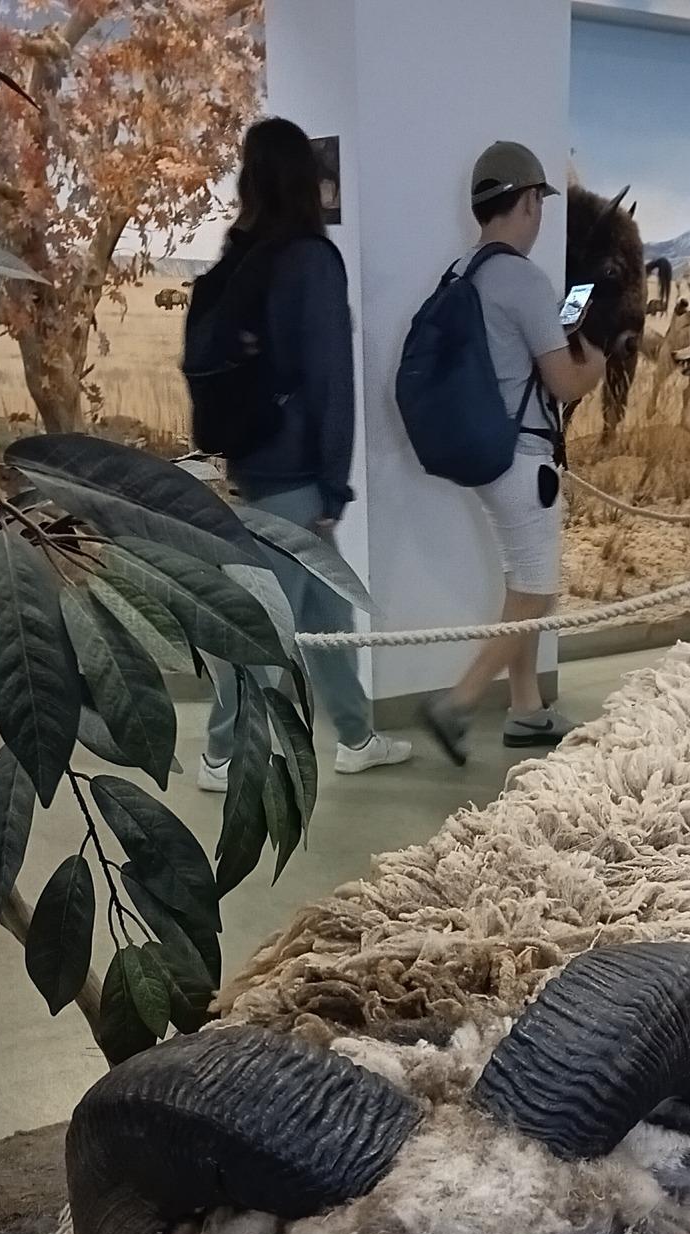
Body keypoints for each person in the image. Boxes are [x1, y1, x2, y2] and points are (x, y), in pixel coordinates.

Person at [197, 118, 409, 789]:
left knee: (327, 613)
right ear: (306, 179)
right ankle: (222, 753)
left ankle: (356, 735)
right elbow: (330, 382)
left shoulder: (244, 253)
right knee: (264, 626)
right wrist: (335, 486)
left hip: (254, 460)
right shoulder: (311, 260)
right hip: (294, 476)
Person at [421, 142, 606, 766]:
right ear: (527, 201)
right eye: (539, 203)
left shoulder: (462, 271)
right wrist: (597, 366)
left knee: (522, 582)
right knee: (537, 595)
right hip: (522, 460)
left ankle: (527, 709)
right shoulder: (522, 279)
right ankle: (457, 703)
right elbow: (565, 384)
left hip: (485, 453)